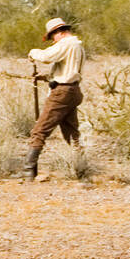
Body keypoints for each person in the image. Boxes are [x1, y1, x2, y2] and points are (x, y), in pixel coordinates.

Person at [23, 17, 86, 180]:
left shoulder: (67, 43)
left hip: (62, 93)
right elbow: (66, 70)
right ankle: (81, 167)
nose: (53, 40)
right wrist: (44, 77)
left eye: (52, 36)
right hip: (73, 90)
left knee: (40, 130)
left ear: (59, 32)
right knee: (72, 132)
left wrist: (33, 53)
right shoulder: (77, 45)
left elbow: (46, 57)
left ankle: (28, 171)